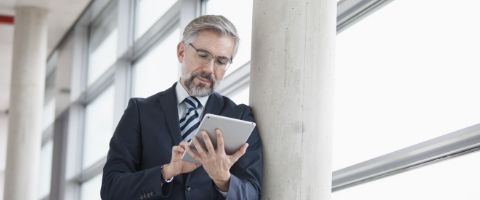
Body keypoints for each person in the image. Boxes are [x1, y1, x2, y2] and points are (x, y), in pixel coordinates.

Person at [100, 15, 263, 200]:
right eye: (203, 55)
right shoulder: (140, 112)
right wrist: (166, 172)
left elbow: (253, 194)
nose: (209, 69)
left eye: (221, 61)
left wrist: (223, 179)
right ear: (181, 51)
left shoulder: (240, 117)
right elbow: (111, 189)